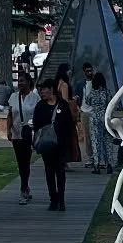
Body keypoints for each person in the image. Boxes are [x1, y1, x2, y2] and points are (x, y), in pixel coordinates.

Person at [32, 77, 74, 212]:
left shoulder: (62, 105)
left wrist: (66, 141)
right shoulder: (40, 106)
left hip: (60, 145)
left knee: (60, 172)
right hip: (46, 145)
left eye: (44, 89)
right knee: (49, 172)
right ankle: (53, 199)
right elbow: (36, 125)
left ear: (51, 90)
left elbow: (69, 124)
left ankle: (61, 199)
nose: (42, 92)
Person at [7, 71, 39, 204]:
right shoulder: (13, 97)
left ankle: (23, 189)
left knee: (25, 162)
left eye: (22, 81)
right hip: (16, 134)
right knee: (20, 163)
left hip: (29, 134)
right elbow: (10, 114)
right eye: (18, 81)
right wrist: (8, 130)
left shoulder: (35, 98)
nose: (20, 83)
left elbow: (38, 115)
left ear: (28, 82)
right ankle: (25, 186)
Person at [84, 69, 116, 174]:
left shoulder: (92, 93)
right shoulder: (107, 92)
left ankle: (97, 164)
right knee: (107, 141)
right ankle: (109, 164)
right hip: (105, 117)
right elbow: (111, 103)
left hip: (94, 117)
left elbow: (87, 102)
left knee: (95, 141)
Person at [55, 63, 82, 164]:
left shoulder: (57, 83)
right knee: (67, 138)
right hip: (65, 115)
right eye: (68, 70)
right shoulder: (64, 85)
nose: (70, 72)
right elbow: (65, 100)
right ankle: (64, 160)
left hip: (58, 113)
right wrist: (74, 100)